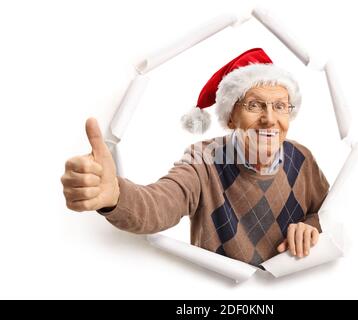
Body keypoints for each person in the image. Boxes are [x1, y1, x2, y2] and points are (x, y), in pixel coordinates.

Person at [61, 48, 329, 266]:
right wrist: (116, 195)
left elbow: (332, 212)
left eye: (280, 106)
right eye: (254, 105)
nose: (269, 119)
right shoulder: (204, 159)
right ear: (231, 117)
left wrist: (312, 225)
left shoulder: (302, 158)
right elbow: (161, 203)